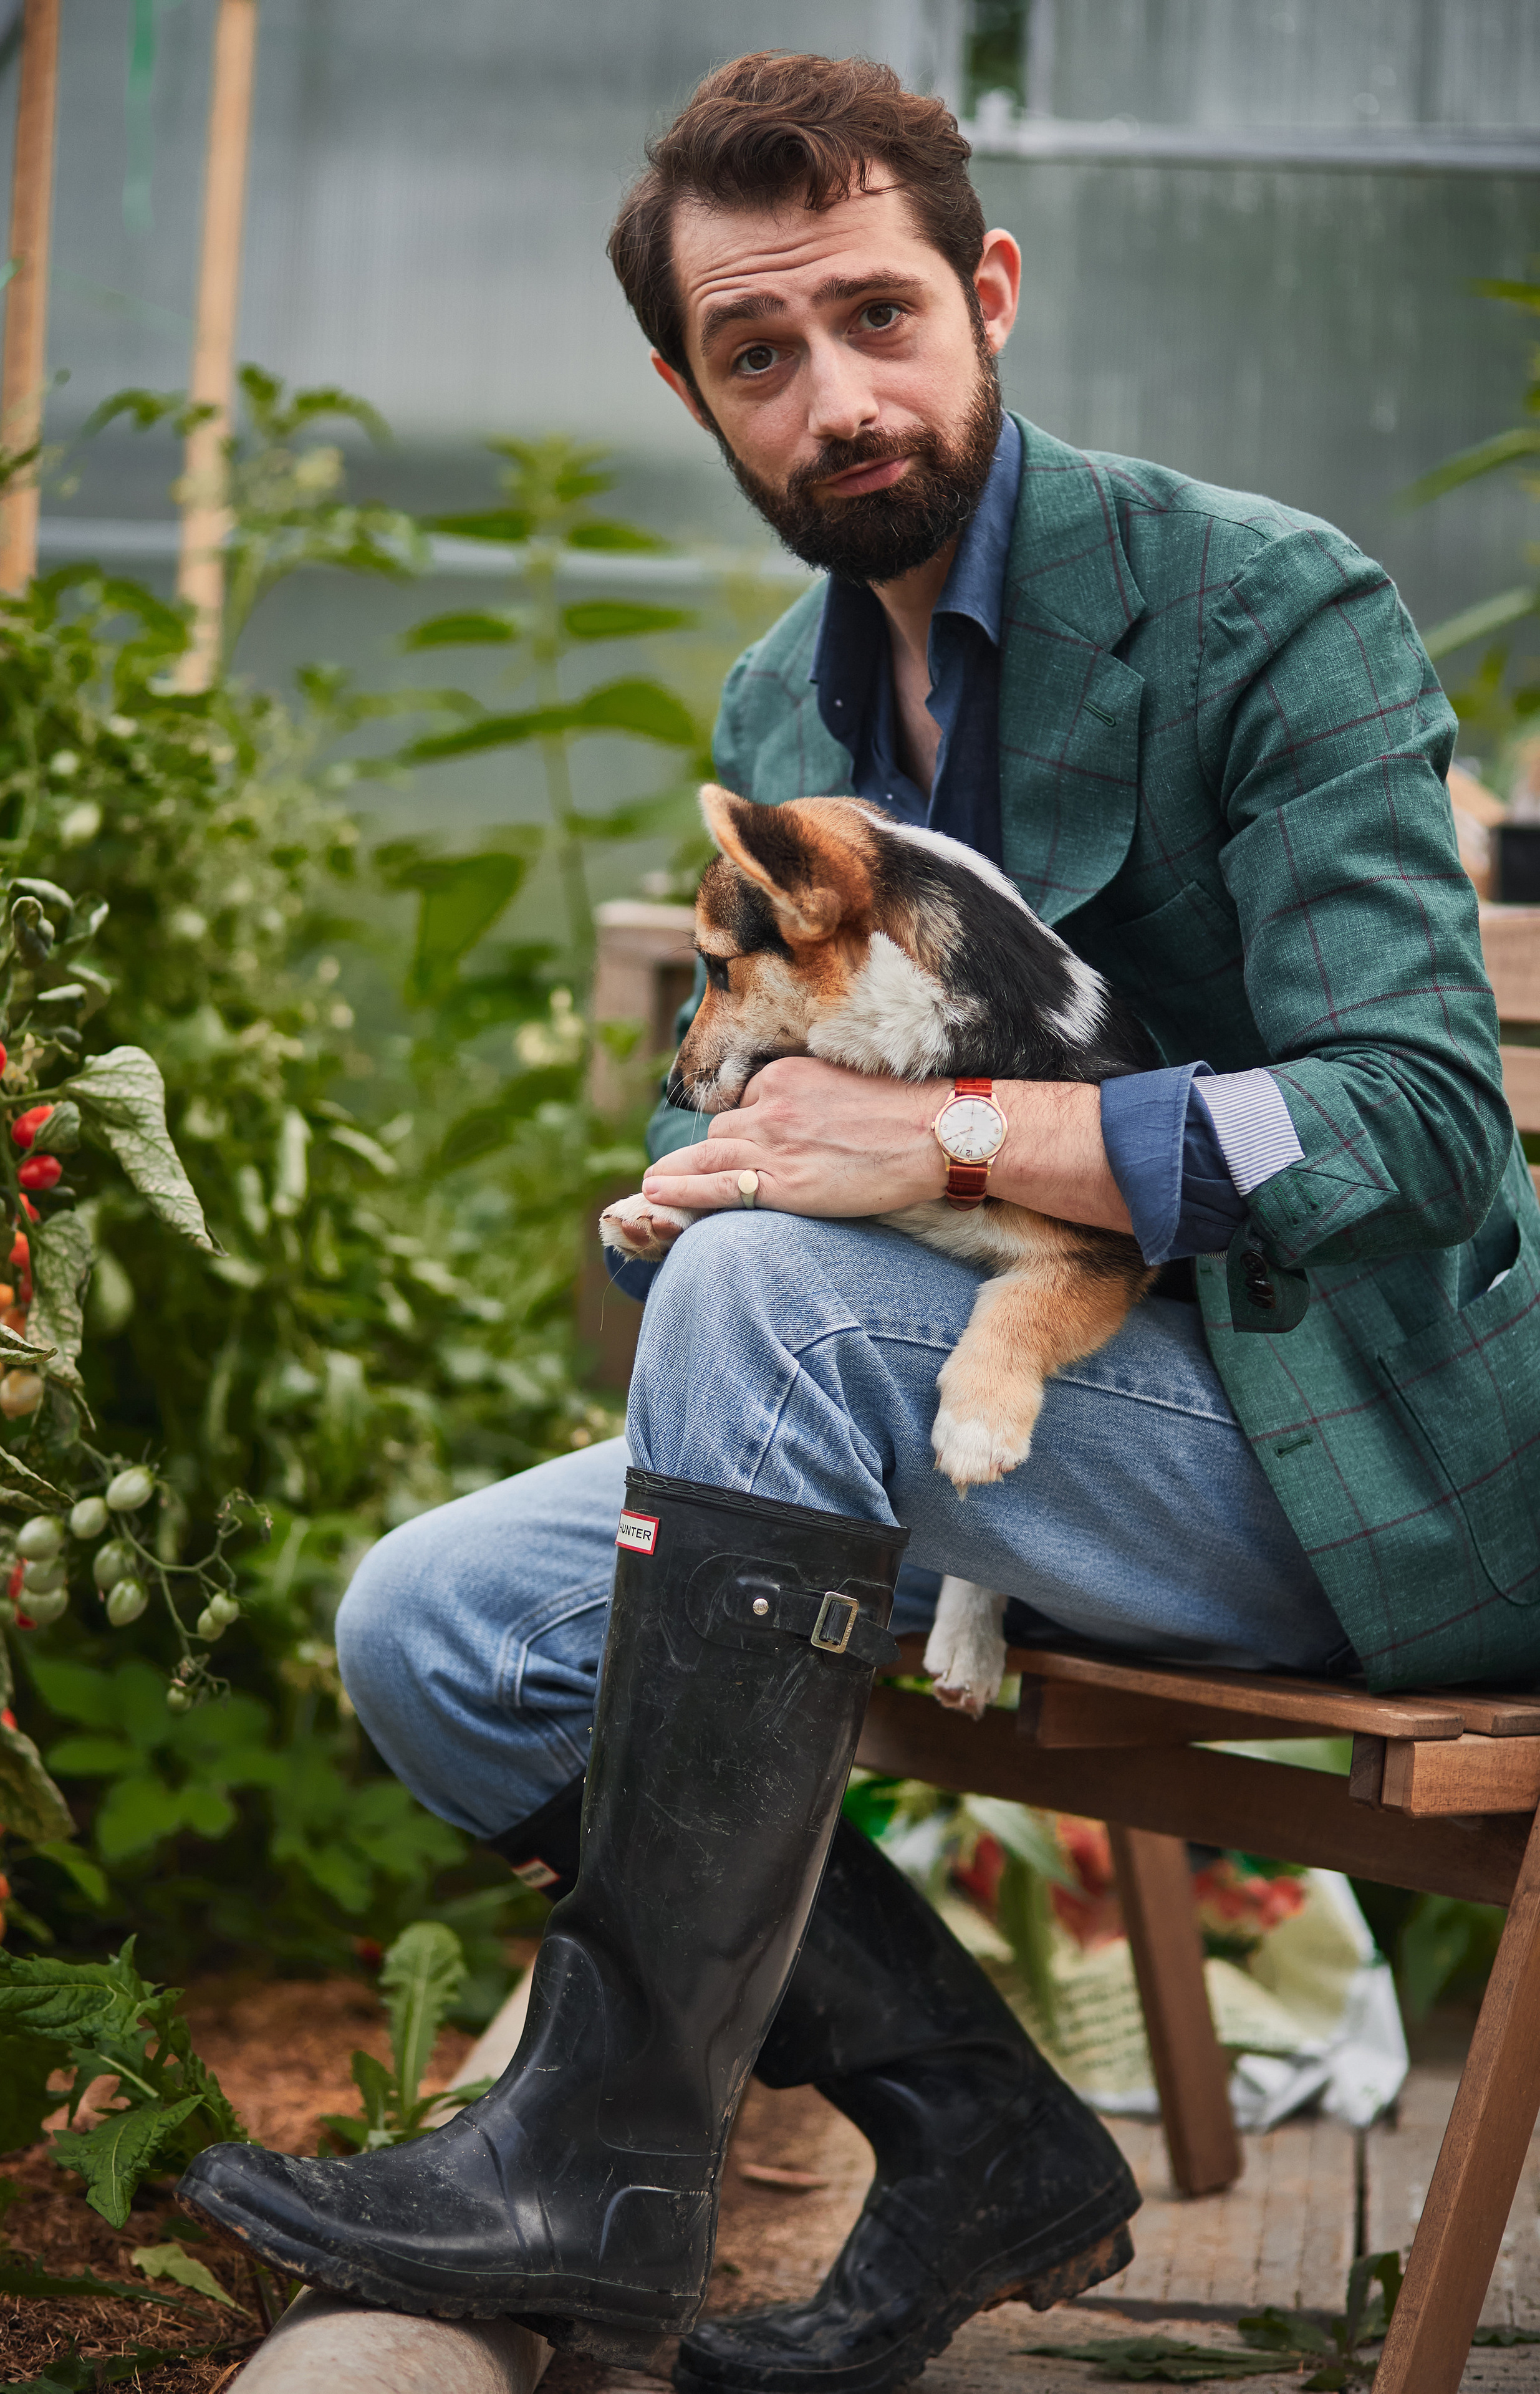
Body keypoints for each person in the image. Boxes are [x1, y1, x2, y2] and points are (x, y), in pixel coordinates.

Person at [180, 49, 1540, 2394]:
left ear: (987, 290)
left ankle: (601, 2163)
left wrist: (965, 1151)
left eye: (882, 316)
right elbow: (774, 1154)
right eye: (760, 354)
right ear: (692, 388)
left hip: (1357, 1453)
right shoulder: (781, 700)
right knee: (434, 1625)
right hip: (965, 1425)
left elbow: (1422, 1127)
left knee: (782, 1302)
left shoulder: (1261, 612)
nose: (838, 395)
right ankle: (977, 2134)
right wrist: (688, 1191)